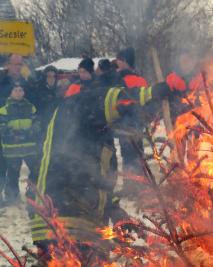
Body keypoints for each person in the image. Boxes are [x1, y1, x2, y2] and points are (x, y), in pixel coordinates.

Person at [30, 74, 190, 264]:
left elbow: (100, 182)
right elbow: (114, 99)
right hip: (62, 217)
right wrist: (150, 94)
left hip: (86, 223)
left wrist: (115, 211)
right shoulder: (78, 104)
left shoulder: (101, 138)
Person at [0, 83, 38, 205]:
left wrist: (31, 131)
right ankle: (12, 196)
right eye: (15, 90)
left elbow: (37, 123)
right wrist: (14, 134)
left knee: (35, 171)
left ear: (24, 92)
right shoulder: (4, 109)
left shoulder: (31, 107)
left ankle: (32, 193)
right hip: (12, 148)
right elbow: (2, 127)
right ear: (11, 93)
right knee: (12, 173)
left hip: (30, 147)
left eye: (21, 90)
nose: (18, 92)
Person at [115, 48, 148, 175]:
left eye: (119, 60)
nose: (117, 63)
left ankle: (131, 185)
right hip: (138, 124)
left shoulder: (119, 79)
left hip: (125, 123)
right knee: (139, 154)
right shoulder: (141, 79)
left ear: (124, 61)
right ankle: (143, 183)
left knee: (127, 156)